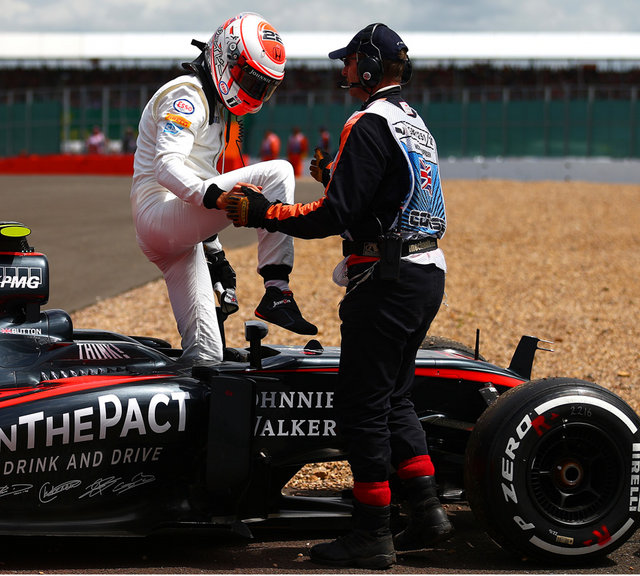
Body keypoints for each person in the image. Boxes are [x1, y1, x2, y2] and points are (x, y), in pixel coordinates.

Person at [222, 23, 453, 568]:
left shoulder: (367, 121)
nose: (343, 71)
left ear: (370, 65)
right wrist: (339, 176)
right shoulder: (413, 122)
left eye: (350, 62)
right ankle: (427, 512)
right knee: (395, 397)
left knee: (361, 408)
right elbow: (390, 192)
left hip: (387, 279)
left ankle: (373, 532)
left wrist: (263, 213)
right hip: (426, 272)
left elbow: (335, 215)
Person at [130, 12, 316, 365]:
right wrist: (217, 198)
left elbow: (196, 179)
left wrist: (215, 255)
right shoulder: (187, 94)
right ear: (225, 56)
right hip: (159, 213)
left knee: (206, 356)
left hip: (176, 231)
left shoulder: (216, 104)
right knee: (278, 173)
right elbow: (168, 167)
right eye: (251, 79)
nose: (254, 92)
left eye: (264, 86)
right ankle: (277, 291)